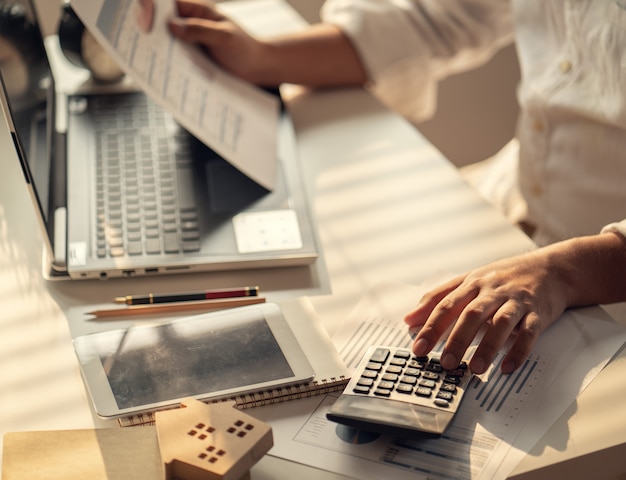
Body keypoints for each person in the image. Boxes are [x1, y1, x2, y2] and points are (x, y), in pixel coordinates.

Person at [140, 0, 626, 374]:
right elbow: (432, 18)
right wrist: (263, 57)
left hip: (603, 279)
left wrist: (564, 272)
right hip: (509, 203)